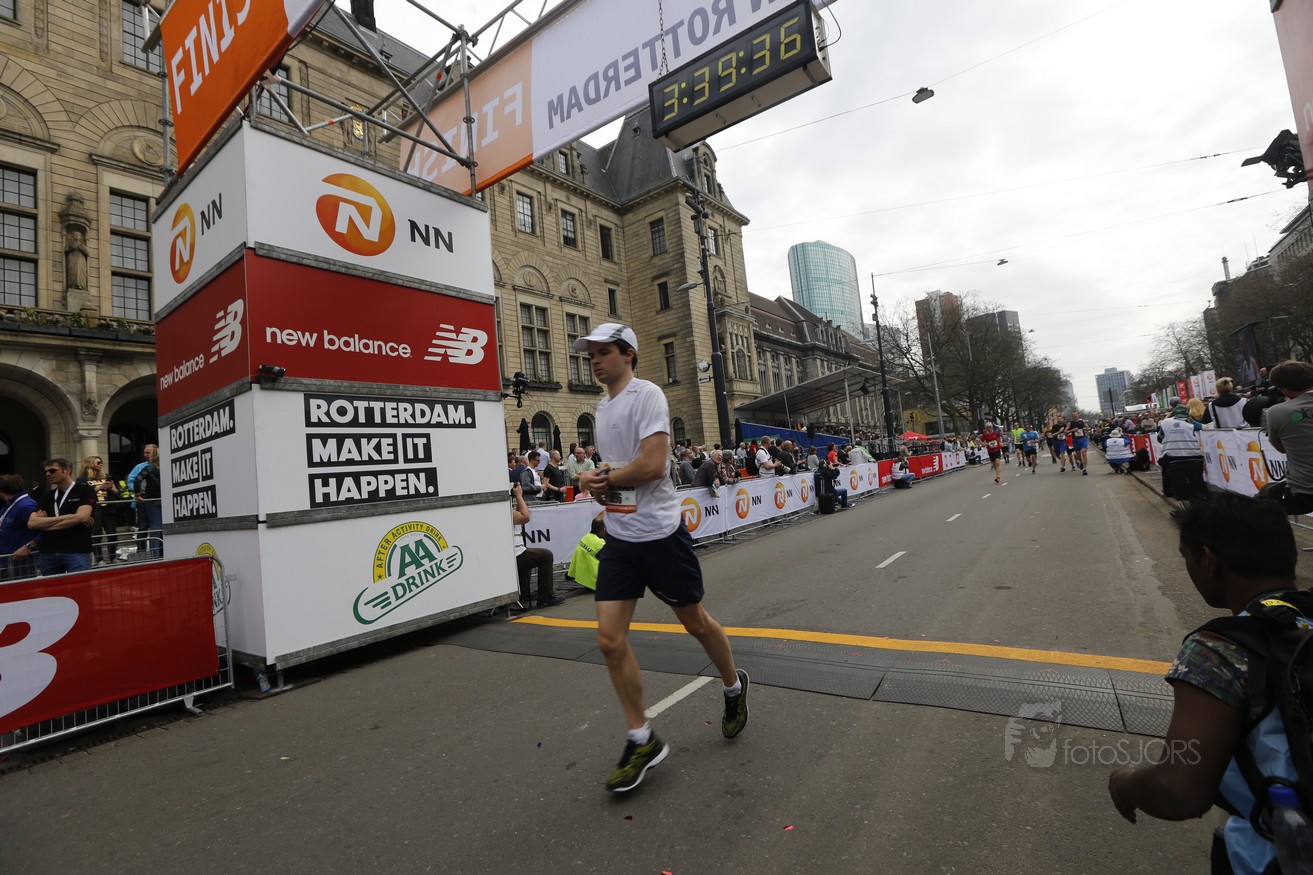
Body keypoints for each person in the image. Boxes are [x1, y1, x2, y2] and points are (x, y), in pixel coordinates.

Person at [573, 323, 748, 793]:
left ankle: (733, 686)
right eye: (591, 354)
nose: (595, 360)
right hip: (620, 539)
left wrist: (601, 479)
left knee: (697, 624)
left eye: (604, 352)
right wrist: (600, 484)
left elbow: (653, 465)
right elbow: (618, 473)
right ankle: (641, 738)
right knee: (609, 640)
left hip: (661, 536)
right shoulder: (602, 406)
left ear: (628, 354)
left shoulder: (647, 395)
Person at [1107, 493, 1304, 875]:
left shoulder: (1219, 649)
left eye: (1186, 557)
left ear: (1209, 561)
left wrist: (1125, 783)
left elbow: (1178, 790)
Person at [1260, 359, 1313, 516]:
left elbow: (1282, 449)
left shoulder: (1276, 412)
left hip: (1305, 492)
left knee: (1261, 501)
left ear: (1285, 390)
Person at [28, 458, 97, 575]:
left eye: (52, 470)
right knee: (52, 587)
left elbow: (81, 517)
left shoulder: (85, 490)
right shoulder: (48, 496)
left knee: (79, 585)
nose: (48, 474)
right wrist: (70, 517)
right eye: (45, 472)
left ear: (67, 470)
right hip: (48, 551)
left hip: (76, 550)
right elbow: (32, 523)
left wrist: (45, 524)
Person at [510, 482, 563, 610]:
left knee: (530, 557)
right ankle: (545, 598)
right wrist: (519, 496)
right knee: (546, 556)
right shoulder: (505, 512)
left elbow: (520, 513)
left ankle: (523, 595)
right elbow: (525, 517)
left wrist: (518, 497)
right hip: (514, 554)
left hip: (513, 553)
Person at [77, 454, 120, 564]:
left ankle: (113, 557)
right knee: (97, 535)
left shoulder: (106, 476)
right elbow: (83, 494)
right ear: (91, 464)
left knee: (112, 534)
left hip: (108, 508)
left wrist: (112, 488)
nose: (101, 464)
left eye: (101, 462)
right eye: (98, 462)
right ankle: (99, 559)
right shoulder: (82, 479)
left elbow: (116, 492)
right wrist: (100, 487)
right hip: (94, 509)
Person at [1157, 399, 1204, 500]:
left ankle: (1168, 491)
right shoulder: (1191, 422)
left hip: (1171, 456)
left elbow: (1160, 438)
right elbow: (1204, 427)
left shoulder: (1165, 422)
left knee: (1164, 464)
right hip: (1193, 455)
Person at [0, 474, 40, 580]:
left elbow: (43, 530)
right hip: (6, 560)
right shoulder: (8, 505)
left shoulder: (26, 506)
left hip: (19, 562)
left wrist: (28, 546)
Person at [133, 447, 164, 558]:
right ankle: (163, 553)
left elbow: (137, 479)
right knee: (164, 527)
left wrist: (137, 494)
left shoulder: (149, 468)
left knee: (155, 527)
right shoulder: (168, 466)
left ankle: (155, 555)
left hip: (152, 499)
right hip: (166, 499)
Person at [126, 443, 156, 554]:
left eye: (148, 452)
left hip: (157, 499)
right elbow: (130, 480)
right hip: (143, 500)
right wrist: (138, 492)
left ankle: (158, 552)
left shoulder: (162, 464)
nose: (145, 455)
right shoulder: (140, 466)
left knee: (157, 526)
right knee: (143, 526)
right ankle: (141, 552)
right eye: (144, 452)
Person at [566, 515, 607, 592]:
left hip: (582, 577)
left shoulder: (586, 537)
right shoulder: (599, 543)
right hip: (594, 582)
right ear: (604, 529)